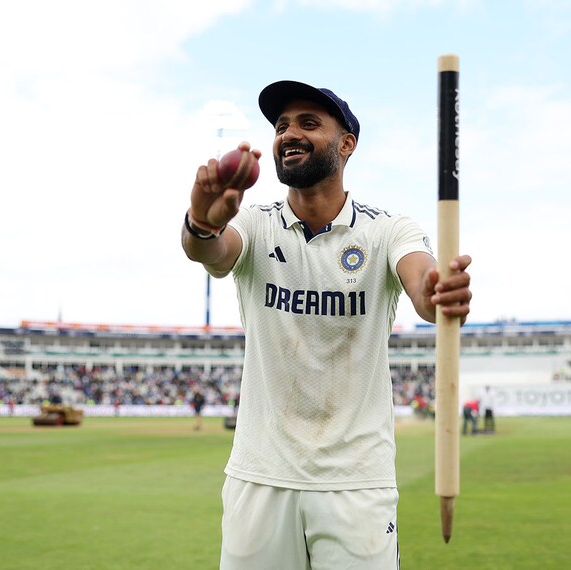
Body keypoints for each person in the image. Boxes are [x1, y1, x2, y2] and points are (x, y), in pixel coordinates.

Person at [181, 80, 472, 570]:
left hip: (357, 481)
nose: (289, 133)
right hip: (261, 475)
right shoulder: (254, 222)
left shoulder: (387, 229)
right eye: (281, 126)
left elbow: (422, 282)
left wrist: (439, 291)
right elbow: (209, 250)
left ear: (347, 144)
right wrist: (201, 221)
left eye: (308, 124)